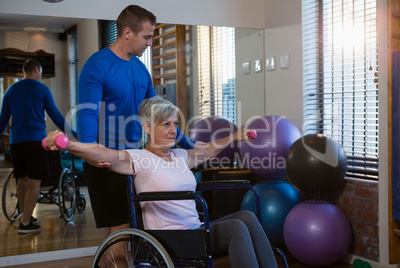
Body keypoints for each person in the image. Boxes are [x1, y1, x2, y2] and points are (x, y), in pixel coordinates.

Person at [45, 96, 279, 268]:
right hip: (172, 238)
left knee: (247, 217)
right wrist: (69, 144)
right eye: (165, 124)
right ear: (146, 127)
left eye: (175, 124)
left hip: (195, 229)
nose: (173, 130)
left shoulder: (179, 155)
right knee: (236, 227)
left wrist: (236, 136)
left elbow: (207, 150)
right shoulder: (138, 158)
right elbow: (103, 153)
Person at [78, 4, 198, 237]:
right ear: (127, 33)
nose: (150, 42)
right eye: (147, 37)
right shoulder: (97, 65)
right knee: (121, 227)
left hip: (136, 158)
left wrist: (189, 145)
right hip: (106, 159)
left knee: (138, 226)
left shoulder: (140, 70)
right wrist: (91, 151)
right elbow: (87, 113)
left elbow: (159, 113)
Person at [0, 59, 77, 234]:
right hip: (36, 141)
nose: (40, 76)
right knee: (35, 181)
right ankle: (26, 223)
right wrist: (72, 132)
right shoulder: (42, 89)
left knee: (22, 179)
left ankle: (24, 215)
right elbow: (56, 116)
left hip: (16, 142)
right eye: (40, 73)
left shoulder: (10, 91)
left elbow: (2, 120)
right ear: (36, 69)